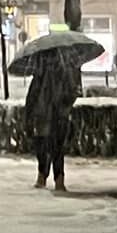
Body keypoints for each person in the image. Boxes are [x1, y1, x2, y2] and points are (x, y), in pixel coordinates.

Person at [25, 59, 79, 192]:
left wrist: (29, 117)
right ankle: (56, 179)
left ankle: (44, 177)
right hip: (52, 117)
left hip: (47, 117)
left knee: (47, 147)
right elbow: (72, 94)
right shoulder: (61, 76)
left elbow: (31, 99)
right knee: (53, 148)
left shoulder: (41, 77)